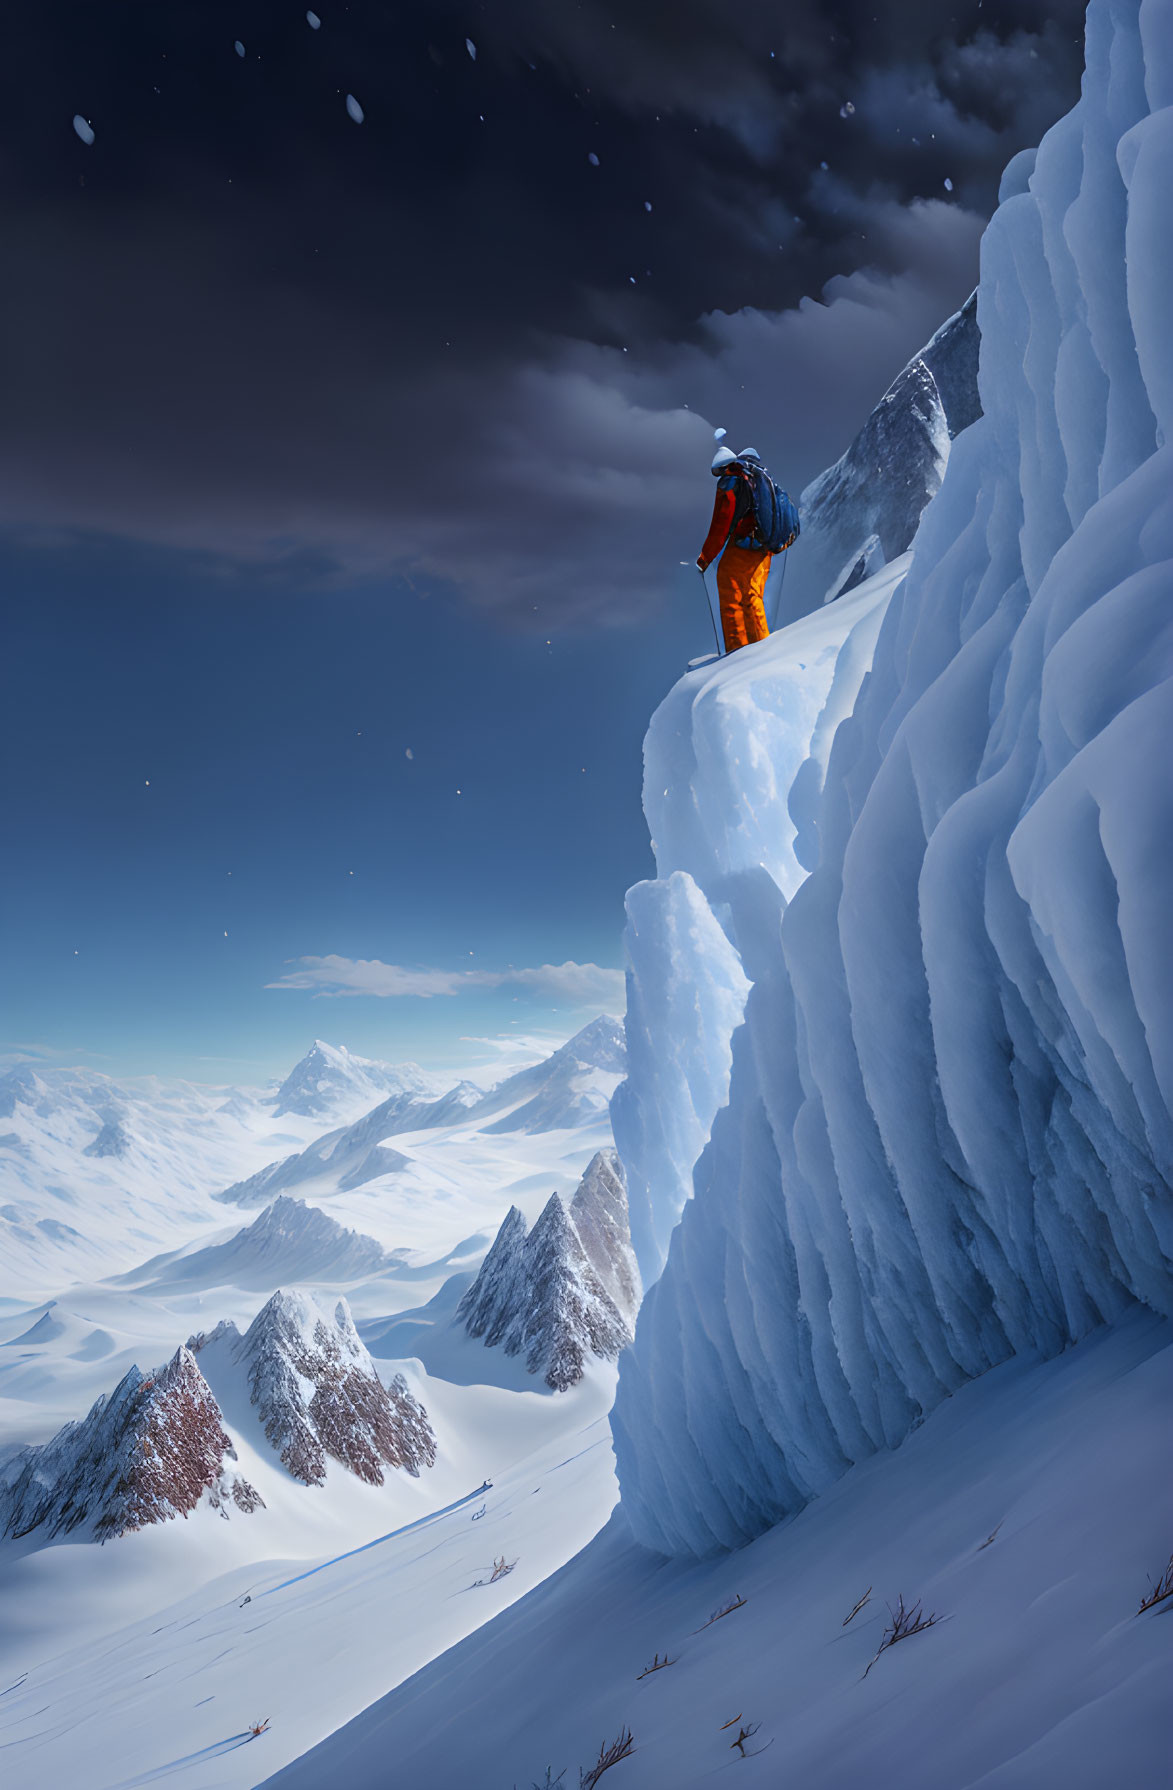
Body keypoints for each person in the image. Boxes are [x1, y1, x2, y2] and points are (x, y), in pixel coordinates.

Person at [696, 446, 777, 654]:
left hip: (745, 545)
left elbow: (720, 525)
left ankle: (738, 651)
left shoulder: (730, 482)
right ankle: (762, 646)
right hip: (764, 547)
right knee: (753, 595)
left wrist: (705, 558)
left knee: (730, 589)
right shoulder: (757, 478)